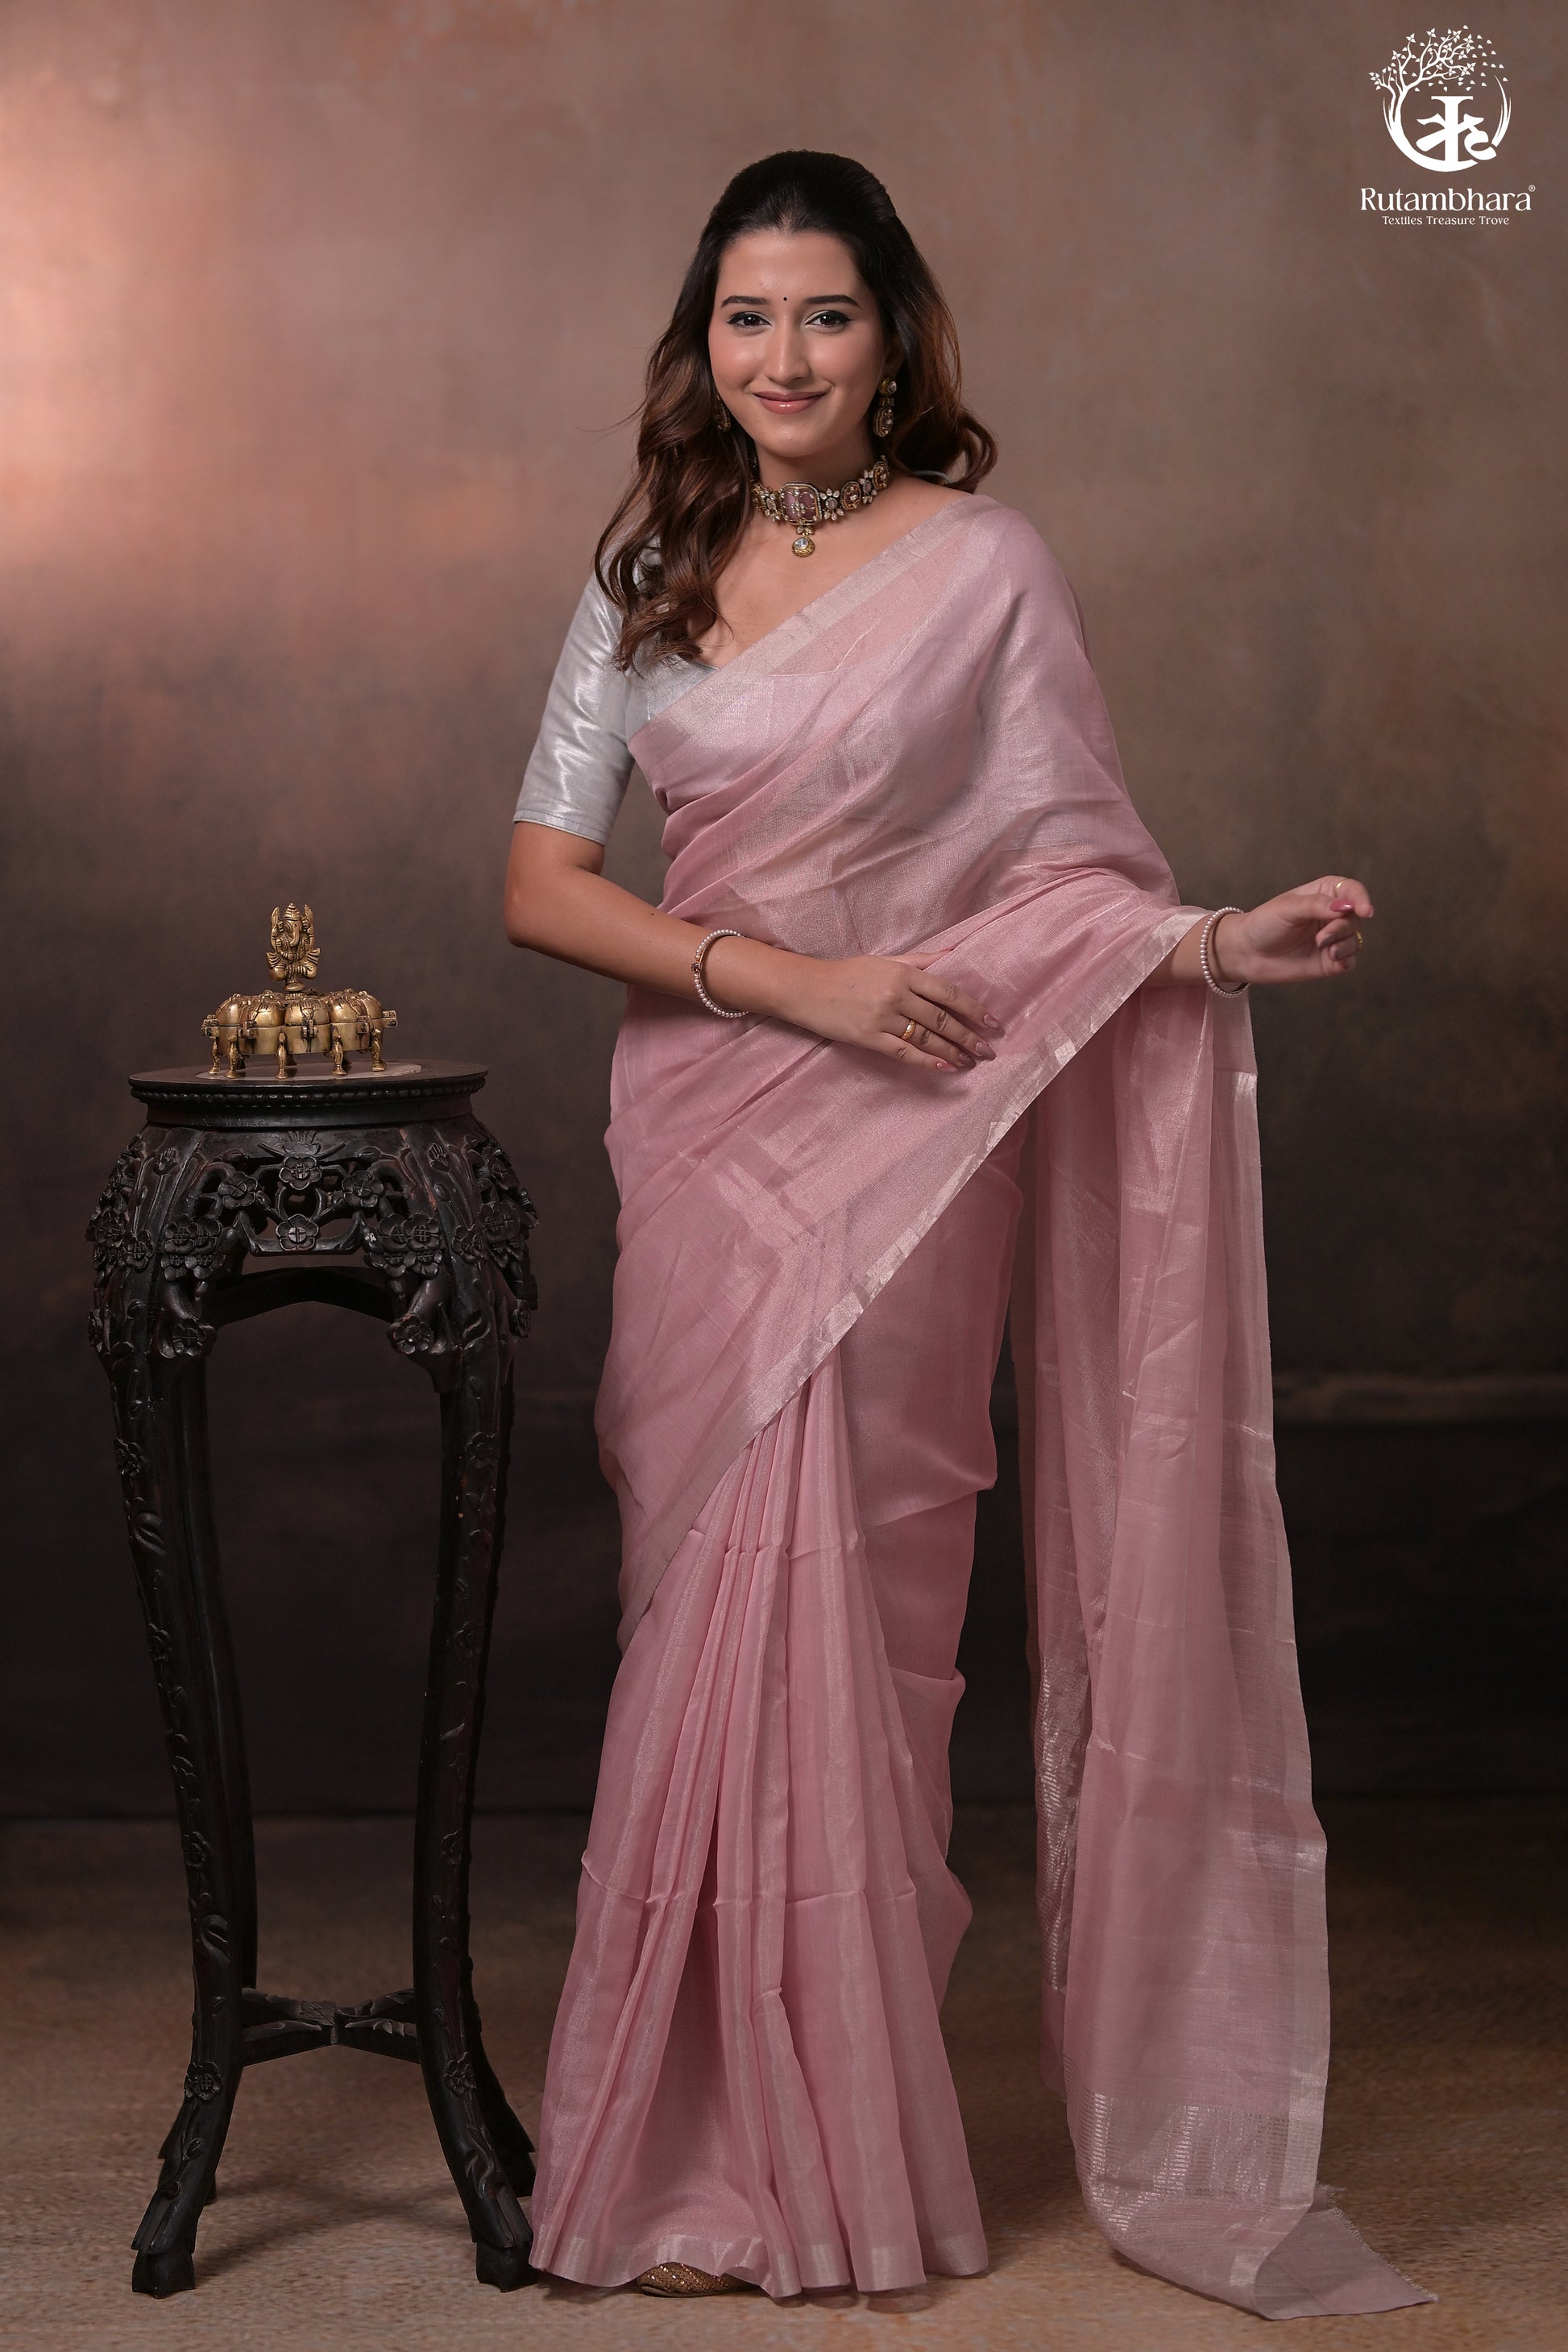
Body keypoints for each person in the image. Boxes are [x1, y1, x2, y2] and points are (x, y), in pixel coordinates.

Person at [503, 150, 1427, 2319]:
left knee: (864, 1618)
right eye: (746, 316)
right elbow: (541, 886)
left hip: (915, 1144)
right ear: (702, 341)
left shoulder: (986, 567)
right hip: (718, 1133)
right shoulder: (647, 569)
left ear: (893, 335)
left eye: (825, 314)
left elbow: (1062, 878)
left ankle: (829, 2147)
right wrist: (790, 985)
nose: (785, 356)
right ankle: (680, 2150)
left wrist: (1217, 942)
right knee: (703, 1621)